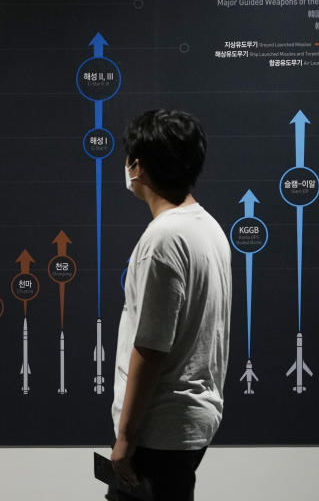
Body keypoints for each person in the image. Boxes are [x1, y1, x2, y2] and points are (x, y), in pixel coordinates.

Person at [108, 109, 232, 501]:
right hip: (190, 423)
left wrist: (125, 439)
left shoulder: (161, 240)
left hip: (158, 431)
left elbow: (150, 347)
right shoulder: (208, 227)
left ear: (138, 167)